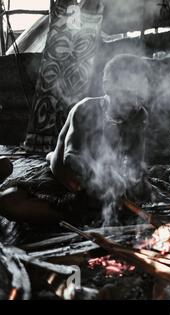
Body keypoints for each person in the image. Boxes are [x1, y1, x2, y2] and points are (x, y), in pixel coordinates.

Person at [0, 54, 151, 225]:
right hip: (65, 177)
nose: (134, 103)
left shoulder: (139, 115)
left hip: (98, 188)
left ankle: (83, 212)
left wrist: (135, 182)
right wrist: (104, 178)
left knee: (134, 197)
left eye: (139, 96)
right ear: (108, 86)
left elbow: (136, 163)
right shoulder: (86, 108)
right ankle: (72, 214)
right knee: (9, 202)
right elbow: (71, 157)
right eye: (127, 93)